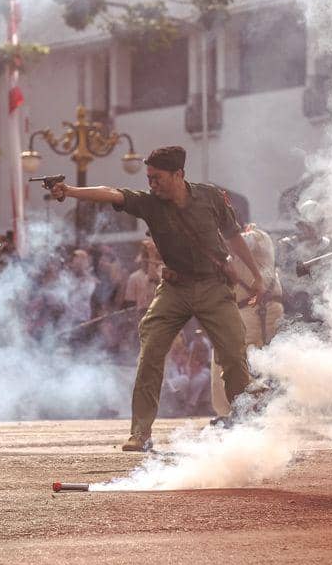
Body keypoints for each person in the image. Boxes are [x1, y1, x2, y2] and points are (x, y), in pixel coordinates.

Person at [50, 145, 265, 451]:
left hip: (213, 288)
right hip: (174, 289)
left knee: (232, 356)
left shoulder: (212, 198)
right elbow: (110, 192)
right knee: (150, 353)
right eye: (149, 177)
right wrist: (69, 190)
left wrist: (255, 276)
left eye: (158, 177)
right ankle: (140, 433)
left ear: (179, 175)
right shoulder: (149, 204)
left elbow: (233, 238)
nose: (152, 184)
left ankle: (246, 425)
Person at [210, 223, 284, 419]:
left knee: (224, 357)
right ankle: (250, 408)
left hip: (255, 310)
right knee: (254, 363)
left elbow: (234, 242)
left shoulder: (258, 236)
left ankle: (229, 412)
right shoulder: (228, 255)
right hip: (250, 310)